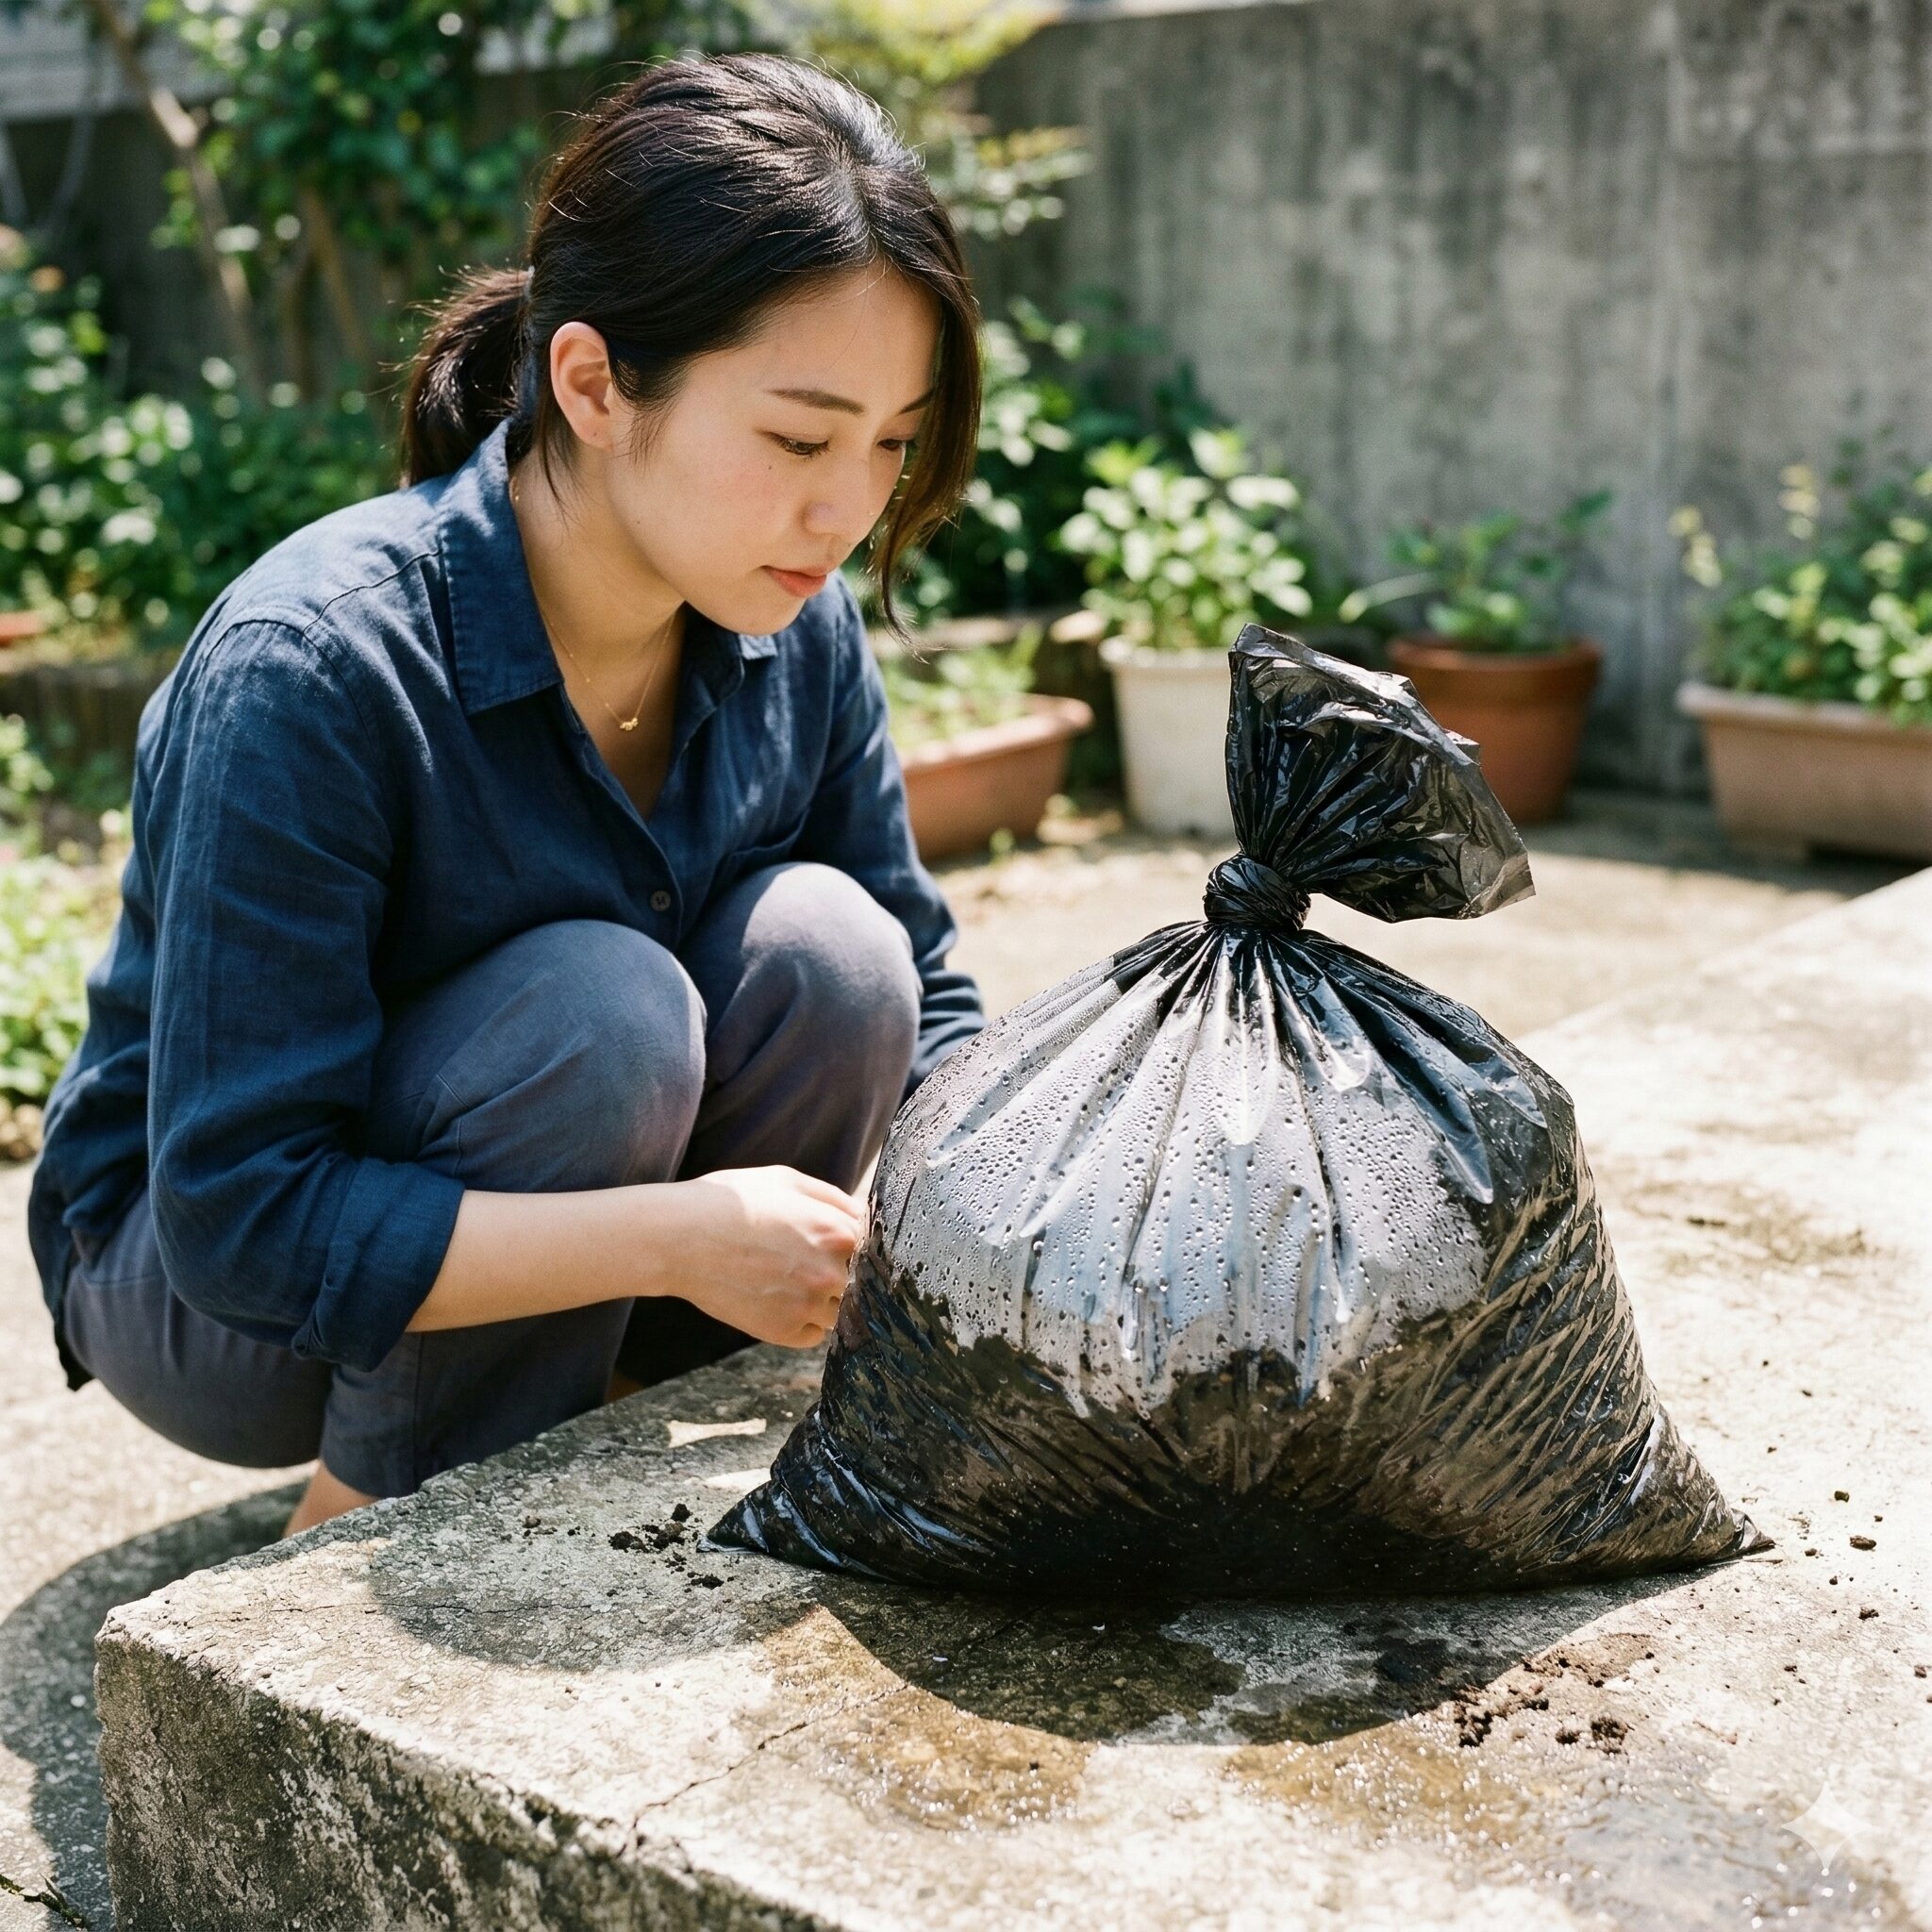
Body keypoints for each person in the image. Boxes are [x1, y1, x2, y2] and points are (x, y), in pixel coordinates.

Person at [25, 51, 988, 1537]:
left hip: (576, 1230)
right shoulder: (319, 661)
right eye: (799, 438)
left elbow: (927, 998)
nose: (847, 507)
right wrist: (670, 1237)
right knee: (598, 1014)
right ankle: (361, 1523)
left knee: (839, 958)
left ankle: (611, 1407)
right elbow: (240, 1215)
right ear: (593, 383)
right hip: (224, 1302)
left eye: (891, 443)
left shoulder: (792, 626)